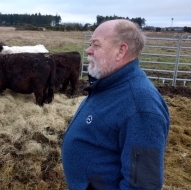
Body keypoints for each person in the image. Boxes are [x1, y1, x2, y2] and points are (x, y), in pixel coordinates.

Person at [61, 19, 170, 190]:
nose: (88, 50)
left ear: (121, 50)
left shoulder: (141, 106)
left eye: (96, 46)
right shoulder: (109, 83)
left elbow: (142, 184)